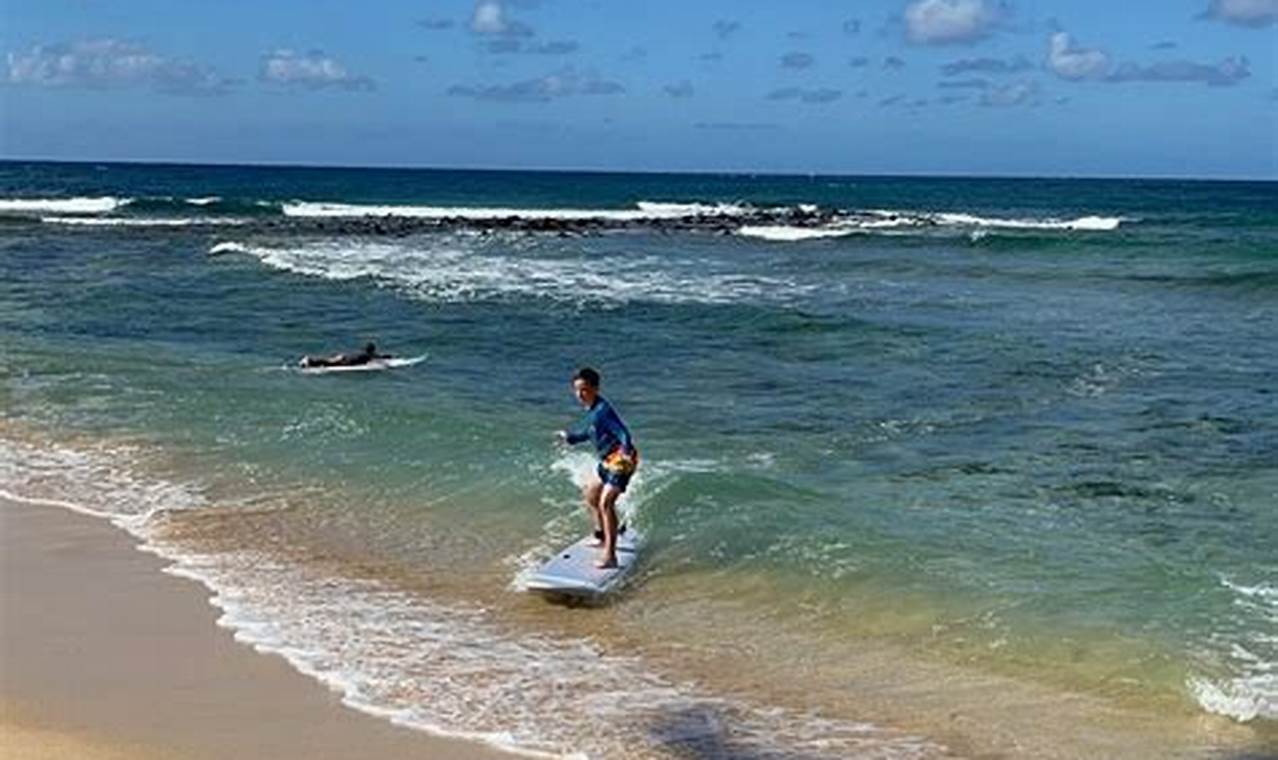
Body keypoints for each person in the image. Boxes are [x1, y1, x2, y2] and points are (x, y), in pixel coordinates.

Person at [558, 367, 638, 569]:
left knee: (605, 503)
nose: (579, 394)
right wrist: (571, 438)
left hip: (620, 460)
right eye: (576, 390)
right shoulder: (593, 410)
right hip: (607, 461)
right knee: (591, 494)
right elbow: (591, 432)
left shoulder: (603, 410)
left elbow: (623, 432)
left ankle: (610, 557)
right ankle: (602, 534)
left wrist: (626, 451)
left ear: (596, 388)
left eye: (584, 390)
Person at [299, 341, 391, 368]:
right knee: (330, 363)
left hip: (344, 356)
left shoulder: (363, 353)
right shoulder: (369, 355)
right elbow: (380, 357)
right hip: (346, 360)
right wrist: (388, 357)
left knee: (328, 361)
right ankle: (309, 360)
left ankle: (310, 361)